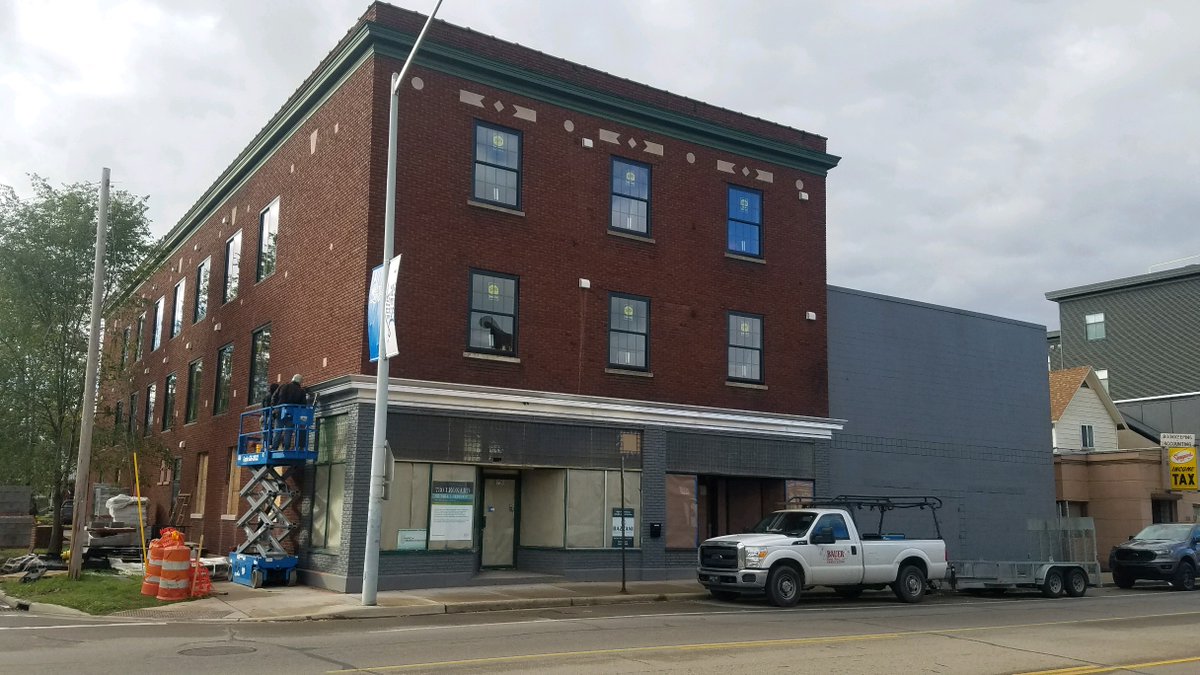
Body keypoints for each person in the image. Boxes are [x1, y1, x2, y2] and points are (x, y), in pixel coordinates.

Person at [273, 374, 308, 450]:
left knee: (278, 430)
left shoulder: (283, 386)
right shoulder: (301, 391)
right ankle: (286, 448)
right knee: (288, 432)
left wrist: (274, 408)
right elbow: (303, 405)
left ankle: (274, 447)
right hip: (293, 413)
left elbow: (274, 397)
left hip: (280, 410)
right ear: (300, 382)